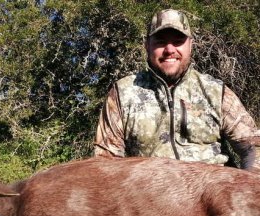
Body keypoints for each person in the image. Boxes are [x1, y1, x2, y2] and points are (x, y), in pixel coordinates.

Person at [94, 8, 260, 169]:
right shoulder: (123, 93)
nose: (169, 50)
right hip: (148, 193)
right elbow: (106, 162)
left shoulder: (216, 92)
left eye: (178, 41)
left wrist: (250, 184)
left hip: (214, 193)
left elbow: (254, 147)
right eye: (160, 42)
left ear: (190, 45)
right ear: (147, 45)